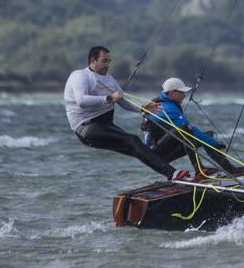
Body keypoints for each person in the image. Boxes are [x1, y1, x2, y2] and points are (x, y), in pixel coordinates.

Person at [64, 46, 189, 180]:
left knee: (139, 148)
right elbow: (81, 101)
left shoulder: (109, 79)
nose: (107, 64)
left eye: (109, 61)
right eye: (104, 61)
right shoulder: (80, 76)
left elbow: (123, 101)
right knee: (133, 140)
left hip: (106, 124)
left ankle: (173, 174)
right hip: (87, 127)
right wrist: (110, 98)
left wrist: (142, 108)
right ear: (93, 60)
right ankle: (173, 174)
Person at [142, 77, 243, 176]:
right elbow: (187, 130)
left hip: (164, 148)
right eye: (182, 92)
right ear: (172, 93)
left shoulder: (169, 104)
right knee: (186, 130)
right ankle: (199, 169)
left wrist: (210, 141)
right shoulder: (165, 108)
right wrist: (214, 144)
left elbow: (190, 132)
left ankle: (230, 169)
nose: (184, 95)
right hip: (155, 156)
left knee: (207, 135)